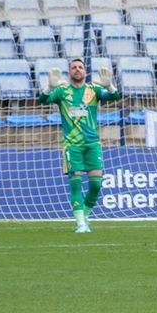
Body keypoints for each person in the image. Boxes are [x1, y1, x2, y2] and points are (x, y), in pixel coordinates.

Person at [37, 59, 123, 235]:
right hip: (72, 145)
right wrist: (49, 88)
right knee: (75, 185)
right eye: (74, 67)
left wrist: (110, 86)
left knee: (96, 185)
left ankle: (84, 216)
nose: (77, 70)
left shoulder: (93, 90)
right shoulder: (62, 91)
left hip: (92, 144)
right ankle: (81, 224)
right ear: (69, 72)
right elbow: (42, 100)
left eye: (80, 67)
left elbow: (115, 98)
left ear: (85, 72)